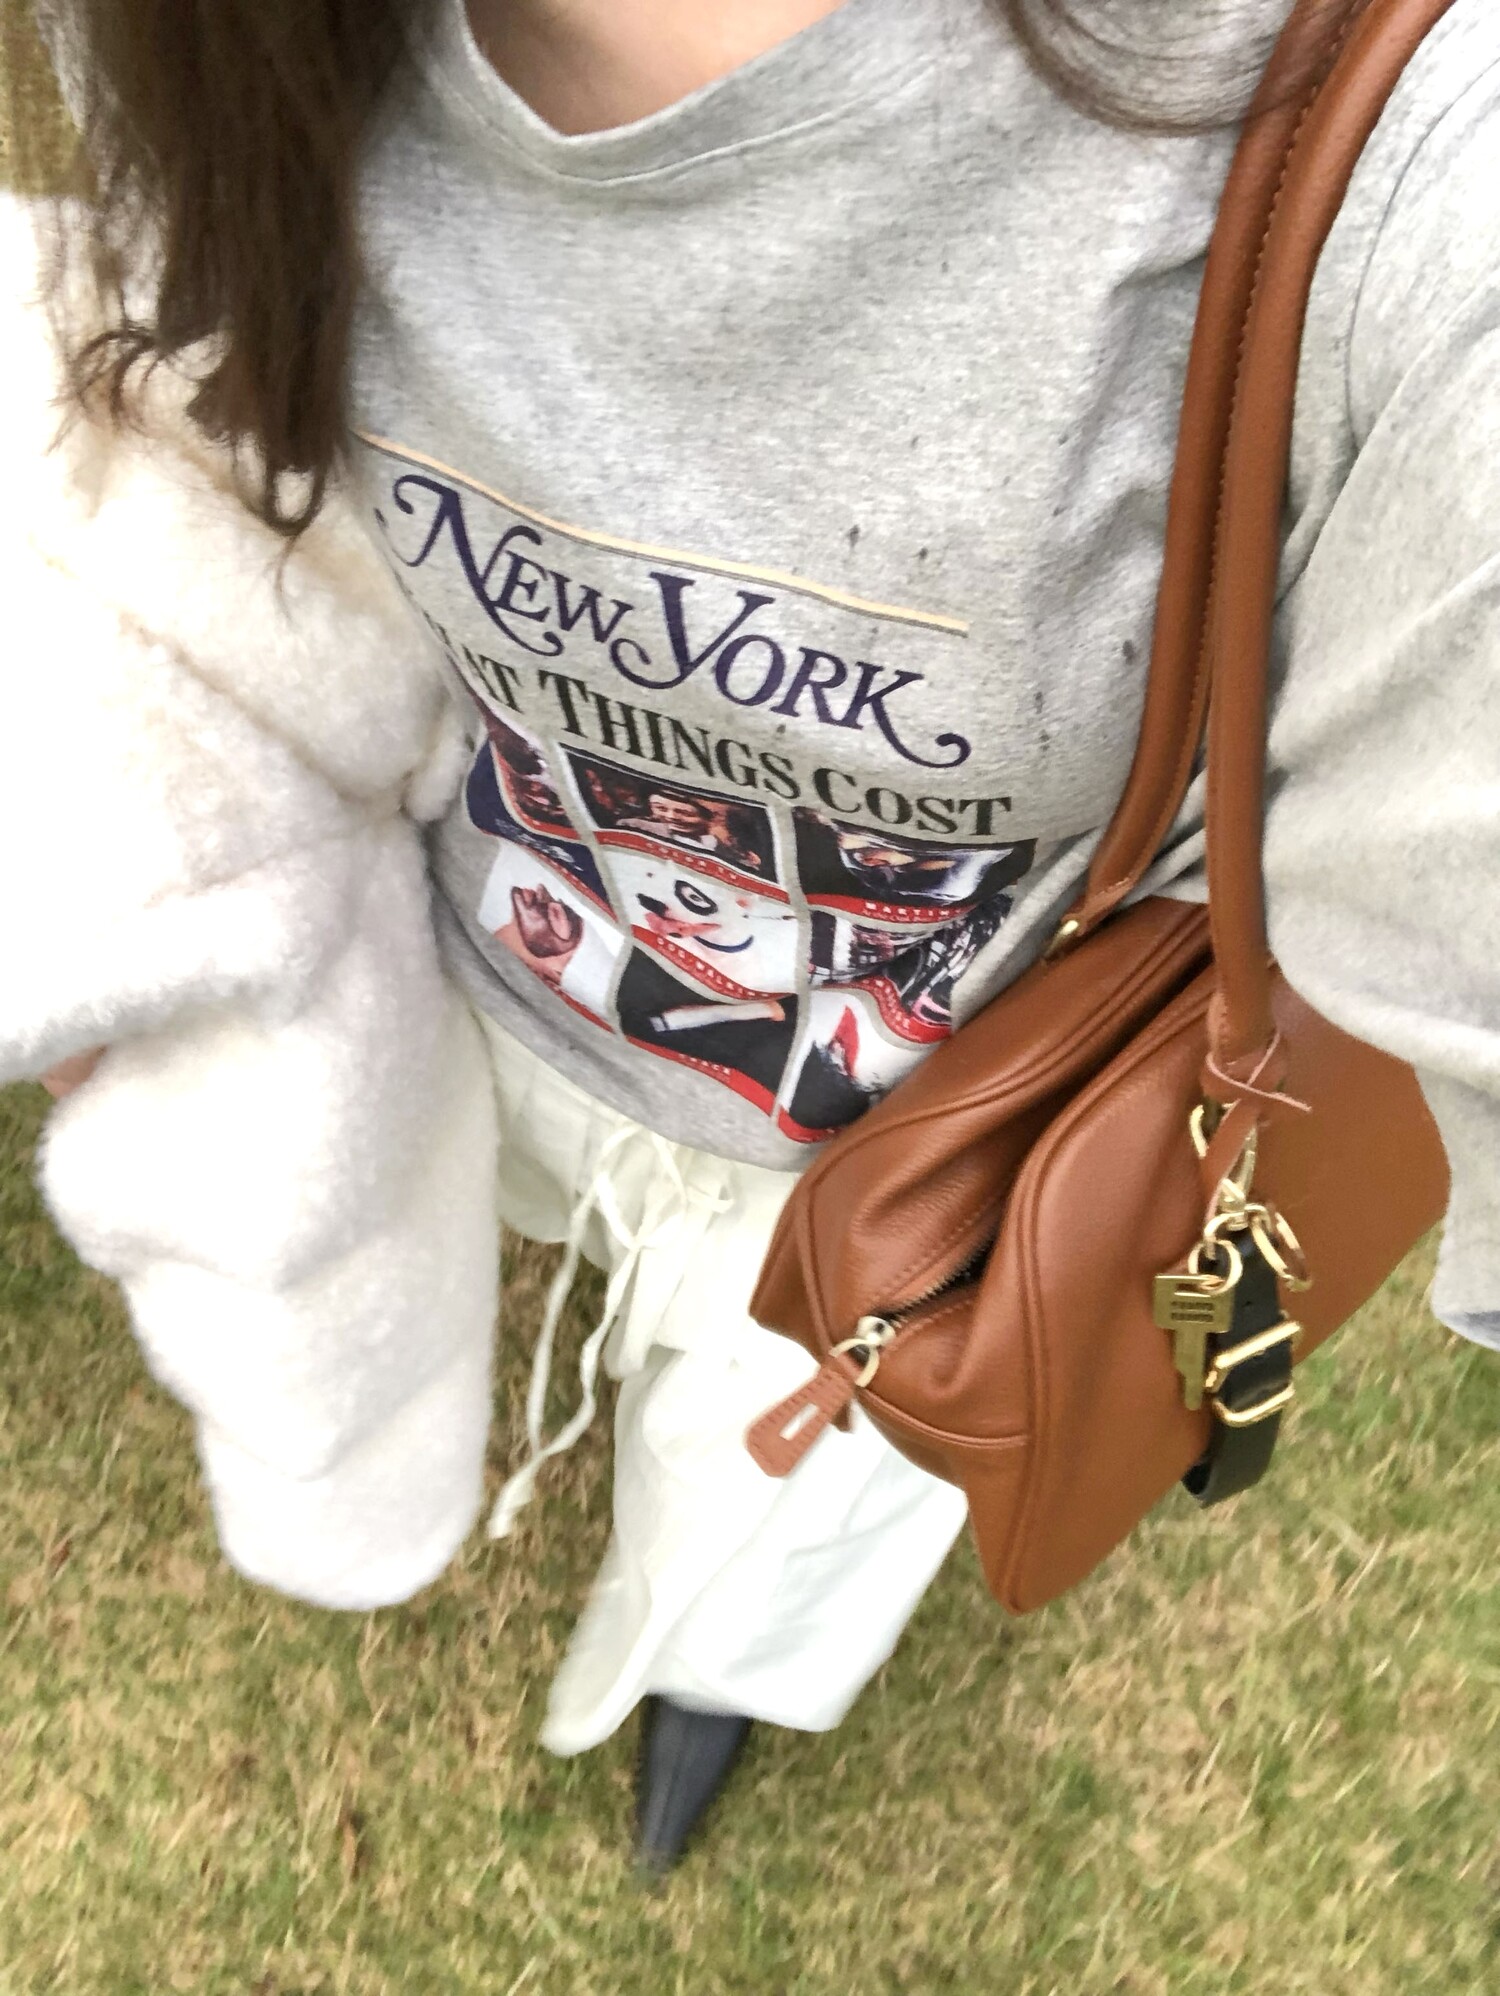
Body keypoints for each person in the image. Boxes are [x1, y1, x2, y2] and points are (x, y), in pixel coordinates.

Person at [6, 0, 1500, 1877]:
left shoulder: (1409, 152)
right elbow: (163, 461)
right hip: (462, 1007)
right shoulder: (202, 35)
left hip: (925, 1178)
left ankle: (718, 1674)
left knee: (781, 1515)